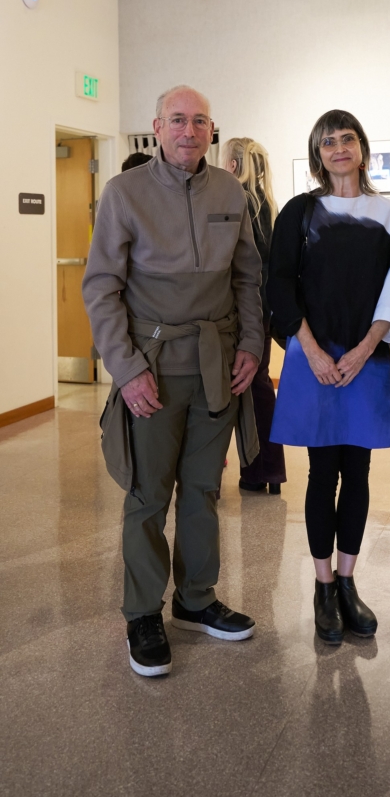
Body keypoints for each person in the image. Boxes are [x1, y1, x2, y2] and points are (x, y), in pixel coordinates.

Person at [83, 85, 264, 677]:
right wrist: (127, 369)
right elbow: (101, 288)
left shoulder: (230, 191)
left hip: (217, 368)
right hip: (153, 370)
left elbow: (247, 279)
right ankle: (142, 613)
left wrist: (252, 345)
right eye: (178, 120)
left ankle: (196, 599)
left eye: (200, 121)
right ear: (157, 127)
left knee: (204, 489)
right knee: (147, 496)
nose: (189, 130)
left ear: (212, 131)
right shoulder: (124, 193)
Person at [268, 110, 390, 645]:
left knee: (359, 471)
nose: (339, 148)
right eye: (327, 142)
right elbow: (279, 284)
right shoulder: (300, 211)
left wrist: (365, 349)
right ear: (317, 155)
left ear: (363, 149)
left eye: (347, 138)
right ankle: (323, 586)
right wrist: (312, 352)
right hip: (314, 358)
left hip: (366, 359)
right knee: (322, 473)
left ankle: (348, 583)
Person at [221, 137, 286, 494]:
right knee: (260, 388)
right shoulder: (268, 205)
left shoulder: (233, 201)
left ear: (231, 165)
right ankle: (267, 471)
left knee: (224, 390)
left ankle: (215, 475)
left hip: (237, 313)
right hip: (263, 313)